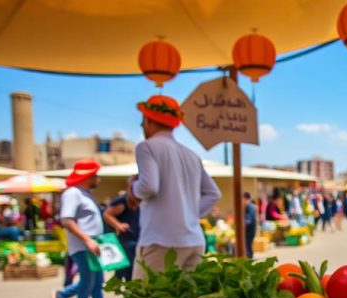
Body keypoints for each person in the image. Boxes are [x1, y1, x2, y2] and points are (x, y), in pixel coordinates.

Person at [128, 95, 221, 277]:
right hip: (193, 241)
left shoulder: (147, 147)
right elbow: (213, 194)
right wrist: (188, 213)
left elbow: (148, 186)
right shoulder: (191, 155)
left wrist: (132, 187)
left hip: (161, 241)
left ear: (148, 121)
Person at [52, 160, 122, 298]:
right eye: (96, 176)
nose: (98, 179)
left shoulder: (84, 194)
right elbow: (66, 220)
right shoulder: (73, 193)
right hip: (83, 247)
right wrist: (87, 240)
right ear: (88, 177)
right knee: (87, 282)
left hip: (94, 246)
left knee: (97, 282)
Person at [103, 190, 140, 280]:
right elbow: (107, 214)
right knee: (129, 273)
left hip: (139, 240)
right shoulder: (123, 201)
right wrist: (118, 225)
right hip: (128, 240)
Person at [243, 192, 258, 258]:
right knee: (248, 245)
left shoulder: (250, 207)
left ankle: (249, 259)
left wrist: (242, 224)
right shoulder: (248, 206)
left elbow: (249, 220)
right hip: (249, 230)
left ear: (246, 199)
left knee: (248, 245)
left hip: (250, 230)